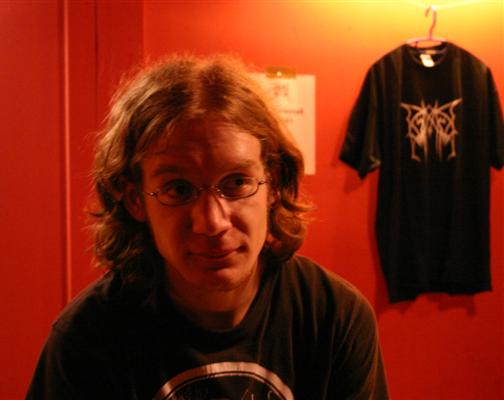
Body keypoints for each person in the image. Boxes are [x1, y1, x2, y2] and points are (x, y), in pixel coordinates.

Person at [26, 54, 389, 399]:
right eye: (178, 189)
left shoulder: (333, 316)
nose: (212, 222)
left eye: (237, 183)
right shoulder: (88, 338)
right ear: (135, 199)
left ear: (274, 183)